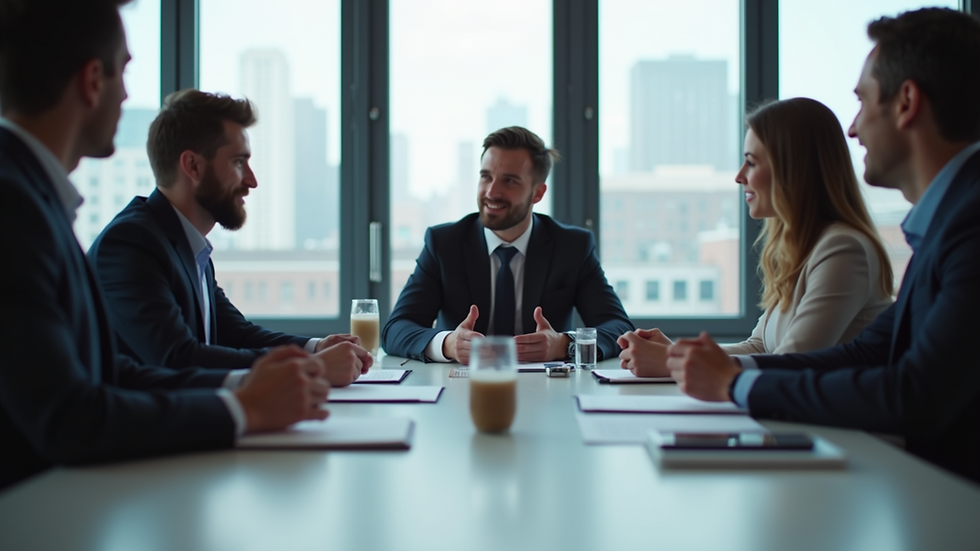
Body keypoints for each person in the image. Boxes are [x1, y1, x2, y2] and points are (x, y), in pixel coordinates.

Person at [0, 0, 339, 490]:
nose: (127, 95)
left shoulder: (36, 198)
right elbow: (70, 416)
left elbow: (108, 373)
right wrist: (244, 407)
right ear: (92, 80)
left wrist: (260, 383)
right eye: (123, 73)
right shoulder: (17, 206)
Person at [665, 7, 980, 483]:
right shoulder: (946, 221)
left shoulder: (969, 224)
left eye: (862, 101)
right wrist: (721, 370)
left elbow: (914, 395)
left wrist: (736, 383)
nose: (853, 129)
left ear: (906, 102)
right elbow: (865, 353)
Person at [88, 89, 371, 386]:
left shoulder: (188, 245)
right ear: (193, 166)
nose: (252, 180)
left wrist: (316, 347)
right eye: (238, 162)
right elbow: (177, 358)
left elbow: (237, 334)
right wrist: (312, 366)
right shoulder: (130, 244)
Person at [619, 98, 894, 376]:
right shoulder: (801, 248)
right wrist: (676, 353)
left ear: (793, 169)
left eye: (751, 162)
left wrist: (672, 362)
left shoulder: (843, 250)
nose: (739, 176)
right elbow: (760, 347)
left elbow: (792, 363)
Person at [382, 126, 633, 364]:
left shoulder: (572, 246)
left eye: (509, 181)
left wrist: (564, 344)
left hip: (547, 388)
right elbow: (396, 329)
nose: (491, 192)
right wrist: (448, 344)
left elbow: (619, 328)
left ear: (538, 193)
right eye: (486, 177)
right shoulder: (444, 243)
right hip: (460, 387)